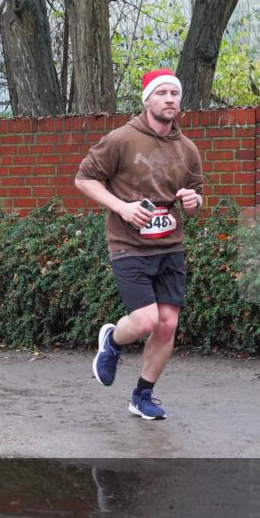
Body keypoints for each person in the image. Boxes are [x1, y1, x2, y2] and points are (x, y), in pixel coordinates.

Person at [75, 68, 204, 420]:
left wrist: (194, 201)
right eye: (161, 93)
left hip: (169, 246)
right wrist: (122, 207)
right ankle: (113, 340)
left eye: (174, 94)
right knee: (146, 321)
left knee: (167, 325)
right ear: (147, 100)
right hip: (128, 244)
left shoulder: (187, 149)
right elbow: (84, 178)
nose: (169, 100)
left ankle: (142, 396)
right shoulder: (121, 139)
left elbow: (196, 195)